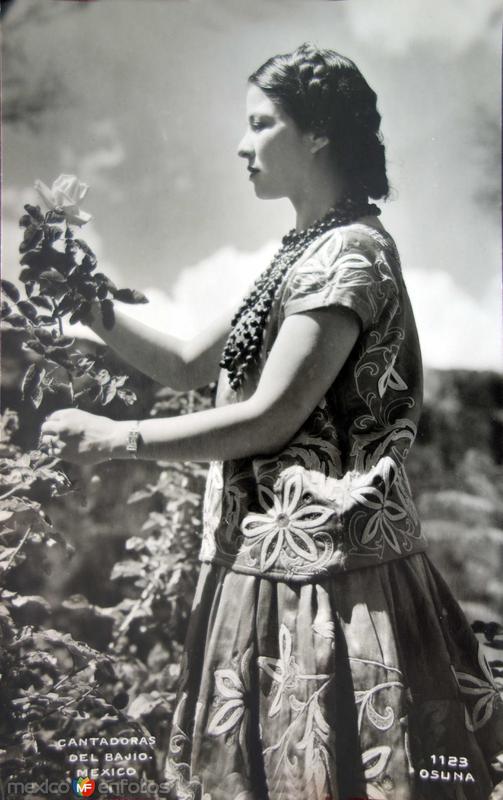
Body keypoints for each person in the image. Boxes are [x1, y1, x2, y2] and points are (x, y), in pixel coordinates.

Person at [40, 44, 503, 800]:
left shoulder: (346, 256)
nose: (241, 144)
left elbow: (269, 417)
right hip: (271, 568)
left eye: (260, 124)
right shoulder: (301, 252)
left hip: (328, 582)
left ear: (316, 132)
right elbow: (193, 362)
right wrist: (89, 301)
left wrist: (113, 439)